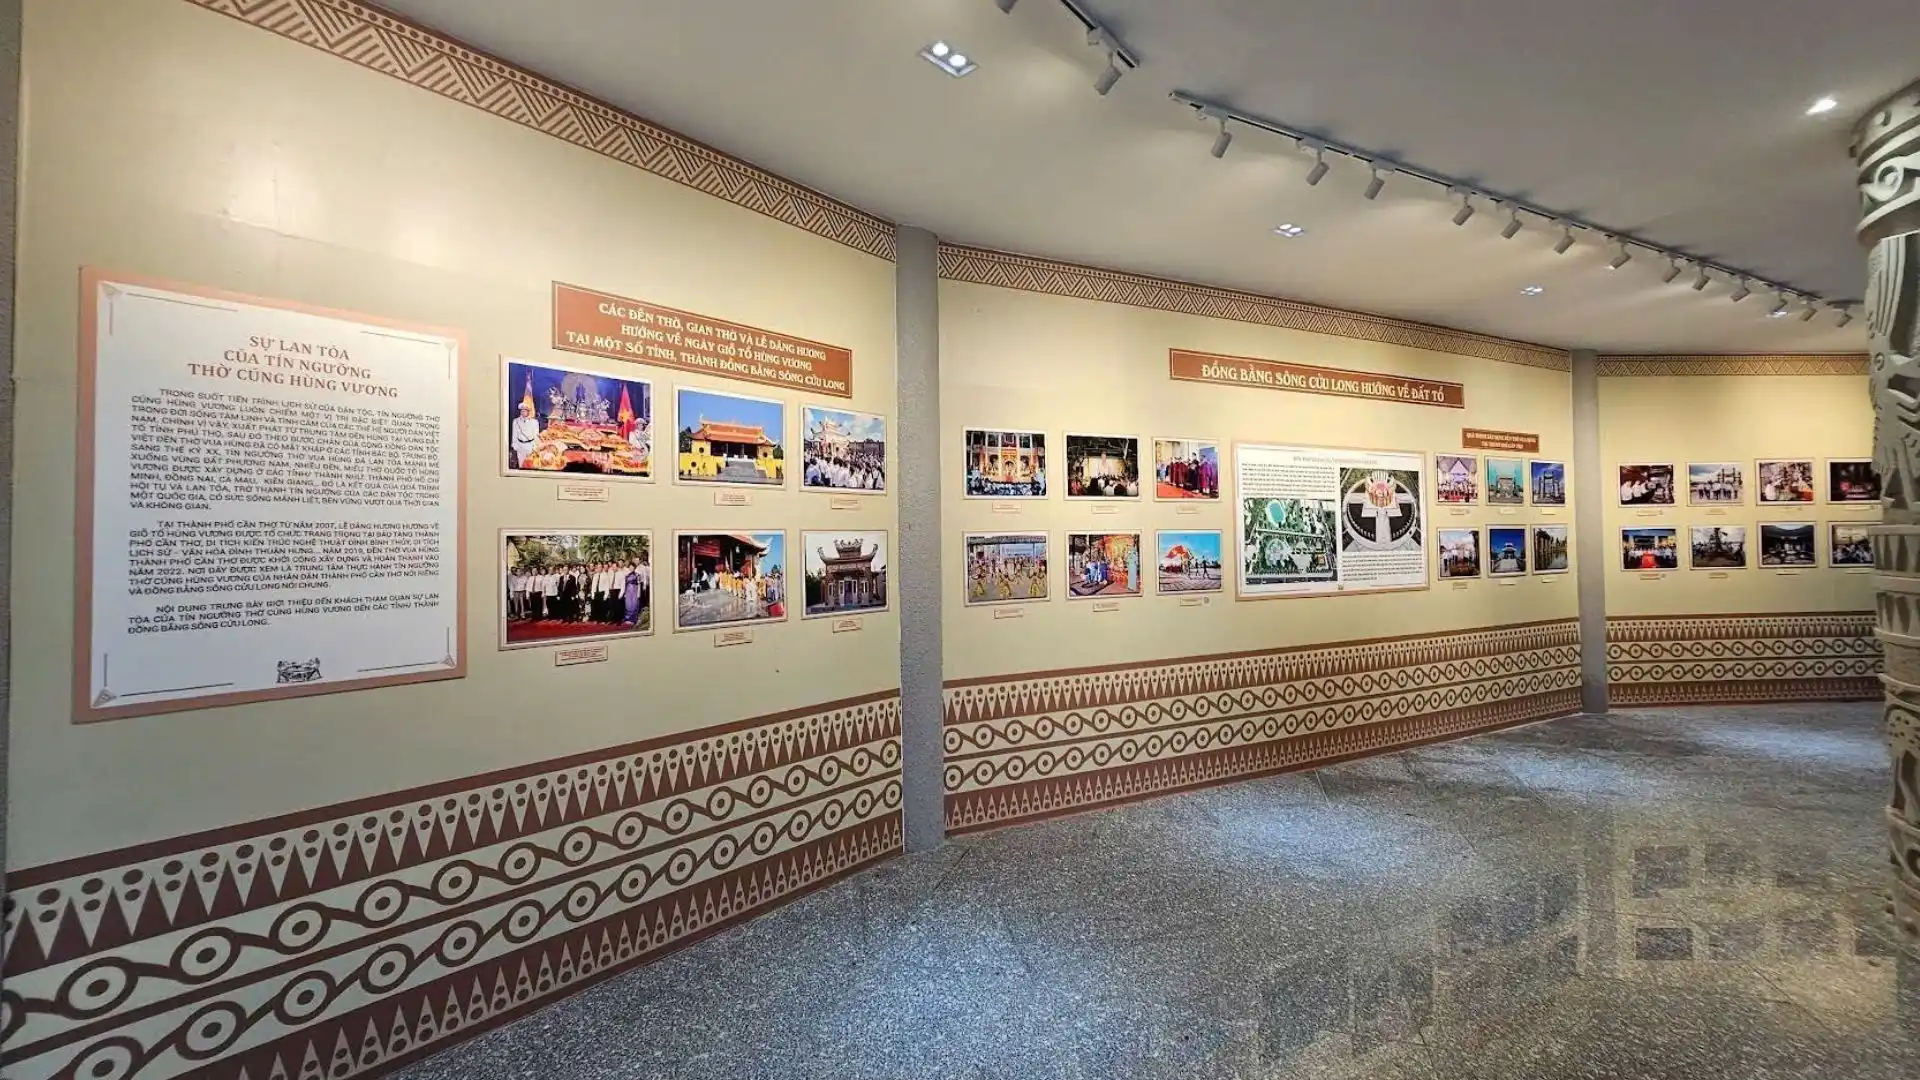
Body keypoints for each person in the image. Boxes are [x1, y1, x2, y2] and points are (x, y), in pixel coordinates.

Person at [509, 401, 540, 469]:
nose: (523, 412)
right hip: (520, 446)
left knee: (531, 466)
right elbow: (514, 434)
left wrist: (535, 447)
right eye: (522, 410)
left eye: (525, 410)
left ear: (528, 411)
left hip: (530, 446)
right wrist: (515, 446)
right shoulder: (516, 421)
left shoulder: (534, 422)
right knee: (521, 466)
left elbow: (536, 435)